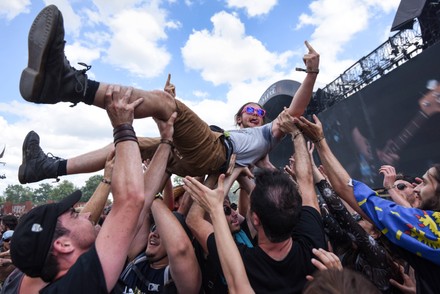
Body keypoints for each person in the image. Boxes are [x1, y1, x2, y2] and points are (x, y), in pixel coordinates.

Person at [18, 4, 319, 184]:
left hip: (216, 152)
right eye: (251, 111)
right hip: (191, 159)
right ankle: (45, 168)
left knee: (165, 103)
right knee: (125, 145)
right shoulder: (236, 136)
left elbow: (292, 113)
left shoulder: (267, 135)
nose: (258, 115)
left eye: (261, 113)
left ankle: (67, 84)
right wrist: (168, 113)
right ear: (239, 117)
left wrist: (311, 74)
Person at [9, 83, 175, 292]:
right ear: (64, 245)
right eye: (74, 215)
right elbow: (131, 202)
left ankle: (48, 167)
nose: (87, 215)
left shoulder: (75, 272)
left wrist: (167, 142)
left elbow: (141, 203)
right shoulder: (76, 288)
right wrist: (123, 126)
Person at [290, 113, 440, 293]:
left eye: (425, 182)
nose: (416, 188)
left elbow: (348, 191)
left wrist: (319, 140)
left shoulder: (427, 226)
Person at [186, 113, 327, 293]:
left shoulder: (242, 263)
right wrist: (298, 136)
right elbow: (306, 182)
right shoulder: (314, 250)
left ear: (255, 219)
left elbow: (193, 220)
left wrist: (219, 171)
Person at [183, 174, 254, 294]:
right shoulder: (207, 247)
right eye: (226, 210)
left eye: (232, 207)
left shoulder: (242, 233)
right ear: (207, 217)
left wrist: (239, 170)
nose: (234, 213)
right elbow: (193, 218)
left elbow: (261, 201)